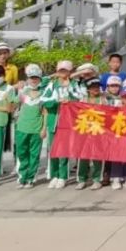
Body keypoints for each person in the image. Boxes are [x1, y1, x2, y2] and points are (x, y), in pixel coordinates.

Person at [40, 59, 85, 189]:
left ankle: (63, 176)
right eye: (60, 70)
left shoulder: (75, 84)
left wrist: (69, 99)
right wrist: (56, 101)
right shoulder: (52, 84)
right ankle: (54, 175)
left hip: (68, 122)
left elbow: (81, 98)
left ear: (70, 71)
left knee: (64, 149)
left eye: (65, 70)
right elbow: (43, 99)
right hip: (53, 120)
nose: (63, 73)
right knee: (53, 149)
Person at [15, 64, 46, 189]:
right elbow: (11, 102)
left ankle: (31, 178)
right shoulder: (22, 92)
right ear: (27, 78)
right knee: (22, 153)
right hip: (22, 128)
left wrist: (44, 129)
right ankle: (22, 176)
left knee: (34, 155)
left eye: (36, 78)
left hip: (36, 129)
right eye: (31, 78)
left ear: (40, 79)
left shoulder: (44, 94)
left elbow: (45, 113)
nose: (34, 80)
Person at [75, 78, 107, 191]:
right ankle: (81, 179)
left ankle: (97, 179)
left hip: (99, 132)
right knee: (83, 156)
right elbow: (76, 113)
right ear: (88, 89)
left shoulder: (103, 100)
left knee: (97, 156)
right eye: (93, 87)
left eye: (97, 87)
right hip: (85, 132)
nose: (95, 89)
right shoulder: (83, 100)